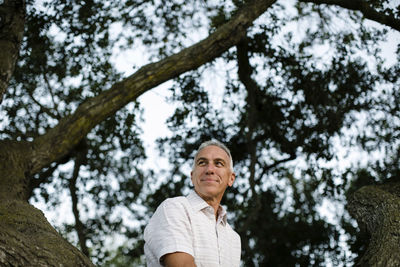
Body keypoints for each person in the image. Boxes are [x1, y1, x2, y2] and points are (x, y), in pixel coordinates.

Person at [144, 139, 241, 267]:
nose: (210, 169)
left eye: (218, 163)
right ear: (192, 176)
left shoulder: (234, 238)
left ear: (231, 178)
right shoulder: (174, 208)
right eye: (202, 163)